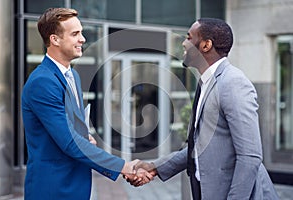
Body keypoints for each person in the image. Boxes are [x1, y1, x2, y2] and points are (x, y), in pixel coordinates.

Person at [130, 18, 279, 200]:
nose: (184, 43)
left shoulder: (233, 83)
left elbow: (250, 156)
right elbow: (199, 148)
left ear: (206, 45)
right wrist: (154, 167)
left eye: (189, 37)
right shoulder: (206, 83)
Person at [22, 8, 152, 200]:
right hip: (53, 188)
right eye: (75, 34)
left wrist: (84, 136)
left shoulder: (72, 75)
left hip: (77, 184)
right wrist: (124, 167)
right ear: (54, 40)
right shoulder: (42, 81)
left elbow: (69, 126)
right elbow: (68, 142)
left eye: (81, 32)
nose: (82, 39)